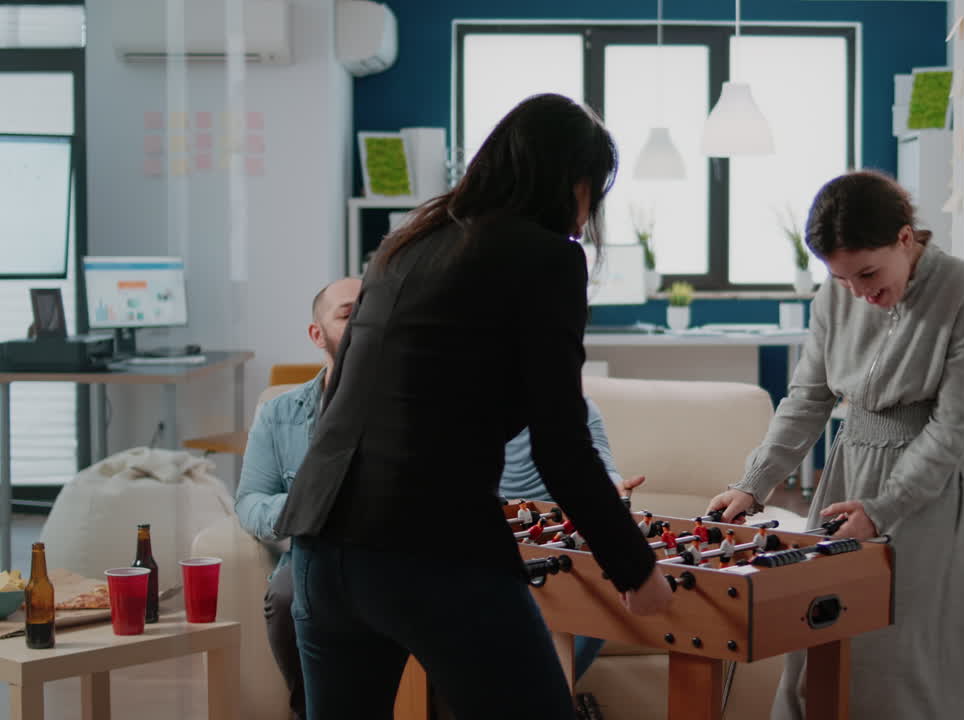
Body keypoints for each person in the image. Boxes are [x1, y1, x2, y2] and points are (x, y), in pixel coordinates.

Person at [273, 93, 672, 720]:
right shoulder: (548, 258)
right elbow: (561, 444)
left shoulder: (406, 243)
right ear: (574, 182)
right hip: (428, 548)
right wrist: (634, 567)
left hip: (320, 545)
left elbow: (342, 401)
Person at [706, 170, 964, 719]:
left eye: (868, 273)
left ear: (906, 239)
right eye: (843, 280)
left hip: (924, 493)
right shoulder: (834, 299)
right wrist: (753, 482)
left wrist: (883, 508)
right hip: (844, 481)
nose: (860, 293)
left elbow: (953, 426)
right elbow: (808, 399)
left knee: (904, 655)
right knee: (817, 639)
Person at [234, 276, 360, 720]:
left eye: (372, 311)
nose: (363, 321)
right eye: (347, 314)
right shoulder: (280, 413)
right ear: (316, 334)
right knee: (288, 597)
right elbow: (249, 501)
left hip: (397, 553)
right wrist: (306, 507)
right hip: (315, 552)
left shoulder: (416, 401)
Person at [499, 404, 644, 680]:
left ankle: (546, 698)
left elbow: (600, 462)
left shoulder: (581, 408)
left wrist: (611, 487)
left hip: (561, 536)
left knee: (605, 594)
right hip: (495, 535)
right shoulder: (475, 406)